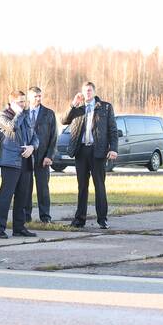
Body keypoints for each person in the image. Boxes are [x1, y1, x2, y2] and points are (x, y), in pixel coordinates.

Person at [63, 81, 118, 229]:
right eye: (85, 91)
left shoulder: (105, 107)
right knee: (82, 187)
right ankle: (79, 219)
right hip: (81, 151)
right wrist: (73, 105)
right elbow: (64, 120)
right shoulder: (78, 108)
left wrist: (113, 149)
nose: (87, 93)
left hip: (98, 151)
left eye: (89, 90)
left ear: (94, 92)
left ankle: (102, 219)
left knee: (99, 186)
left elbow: (112, 130)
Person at [0, 90, 39, 239]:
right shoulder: (2, 116)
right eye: (20, 102)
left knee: (23, 197)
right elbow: (12, 127)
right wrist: (19, 113)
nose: (23, 104)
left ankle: (19, 227)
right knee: (6, 197)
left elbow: (35, 137)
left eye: (24, 101)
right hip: (10, 162)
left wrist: (32, 147)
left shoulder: (26, 116)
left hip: (26, 161)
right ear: (12, 102)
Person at [25, 87, 58, 224]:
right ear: (29, 97)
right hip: (27, 157)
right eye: (35, 96)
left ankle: (45, 217)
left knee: (43, 189)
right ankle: (26, 216)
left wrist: (49, 156)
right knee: (26, 188)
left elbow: (54, 137)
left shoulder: (48, 114)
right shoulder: (23, 113)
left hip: (43, 157)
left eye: (40, 96)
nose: (38, 98)